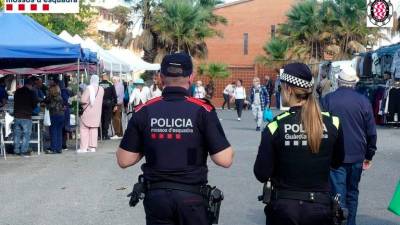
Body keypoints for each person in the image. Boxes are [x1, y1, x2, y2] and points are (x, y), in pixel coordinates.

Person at [116, 53, 234, 225]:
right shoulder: (202, 111)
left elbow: (123, 160)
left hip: (157, 199)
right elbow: (224, 159)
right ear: (191, 77)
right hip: (191, 199)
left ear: (161, 78)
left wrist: (150, 143)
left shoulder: (144, 110)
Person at [254, 63, 345, 225]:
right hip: (320, 208)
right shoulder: (333, 122)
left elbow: (261, 173)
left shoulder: (275, 126)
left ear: (288, 89)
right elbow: (337, 162)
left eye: (281, 88)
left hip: (284, 209)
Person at [321, 67, 377, 225]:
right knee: (352, 192)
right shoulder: (363, 101)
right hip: (357, 154)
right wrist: (369, 154)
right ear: (354, 83)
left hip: (334, 155)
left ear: (338, 81)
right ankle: (350, 222)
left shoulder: (328, 100)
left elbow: (320, 128)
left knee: (338, 192)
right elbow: (371, 132)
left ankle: (338, 221)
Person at [78, 75, 104, 153]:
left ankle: (84, 148)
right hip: (97, 112)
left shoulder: (89, 88)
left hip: (88, 112)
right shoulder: (101, 89)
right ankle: (92, 147)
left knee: (84, 129)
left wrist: (80, 97)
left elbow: (83, 100)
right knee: (94, 129)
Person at [13, 78, 39, 156]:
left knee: (17, 134)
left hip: (17, 115)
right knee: (26, 134)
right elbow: (35, 104)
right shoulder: (32, 92)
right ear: (31, 85)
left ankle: (16, 150)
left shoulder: (17, 91)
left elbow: (15, 101)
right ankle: (23, 150)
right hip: (26, 116)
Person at [44, 85, 65, 154]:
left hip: (54, 115)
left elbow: (52, 106)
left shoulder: (53, 98)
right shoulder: (60, 97)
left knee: (53, 132)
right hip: (61, 115)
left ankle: (53, 148)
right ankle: (59, 148)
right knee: (59, 132)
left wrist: (46, 106)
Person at [99, 74, 117, 140]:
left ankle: (100, 134)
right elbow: (114, 95)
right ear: (107, 77)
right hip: (108, 104)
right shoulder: (111, 84)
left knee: (101, 119)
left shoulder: (99, 84)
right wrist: (115, 104)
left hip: (100, 103)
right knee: (107, 119)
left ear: (102, 77)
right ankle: (105, 134)